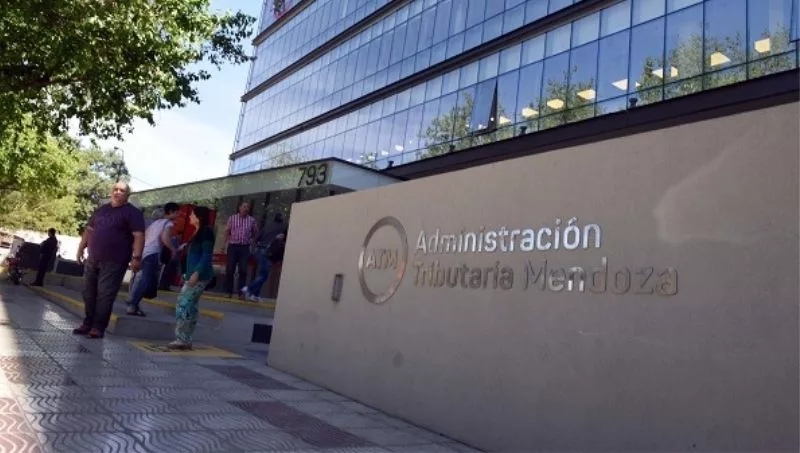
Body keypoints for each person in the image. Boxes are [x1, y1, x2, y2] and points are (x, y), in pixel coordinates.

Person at [74, 181, 145, 339]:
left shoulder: (132, 213)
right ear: (111, 192)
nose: (117, 192)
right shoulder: (101, 210)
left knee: (105, 294)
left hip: (115, 261)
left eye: (122, 190)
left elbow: (139, 235)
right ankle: (87, 323)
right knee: (88, 293)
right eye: (115, 189)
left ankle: (98, 327)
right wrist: (80, 248)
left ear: (127, 195)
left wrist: (137, 257)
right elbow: (89, 230)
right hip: (93, 258)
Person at [169, 206, 215, 350]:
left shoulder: (206, 232)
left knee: (183, 304)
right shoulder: (198, 232)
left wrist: (196, 273)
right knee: (190, 306)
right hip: (193, 275)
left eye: (193, 215)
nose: (190, 217)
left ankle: (182, 338)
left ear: (199, 217)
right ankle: (185, 338)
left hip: (199, 276)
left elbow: (206, 255)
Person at [125, 202, 179, 316]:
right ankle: (133, 305)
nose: (178, 215)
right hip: (152, 253)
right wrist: (173, 249)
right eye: (177, 212)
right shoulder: (168, 223)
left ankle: (132, 302)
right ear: (171, 212)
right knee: (144, 280)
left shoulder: (155, 223)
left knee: (139, 279)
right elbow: (165, 238)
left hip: (143, 251)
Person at [242, 212, 284, 302]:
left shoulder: (267, 226)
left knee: (263, 273)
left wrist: (253, 250)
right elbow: (279, 240)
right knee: (264, 275)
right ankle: (248, 289)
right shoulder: (281, 228)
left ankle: (255, 295)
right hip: (267, 252)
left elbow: (256, 238)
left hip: (259, 250)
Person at [222, 201, 258, 299]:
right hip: (233, 246)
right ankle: (228, 291)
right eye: (244, 207)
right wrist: (225, 244)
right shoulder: (232, 218)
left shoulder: (251, 220)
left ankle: (241, 293)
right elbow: (227, 231)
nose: (246, 209)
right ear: (240, 208)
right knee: (230, 269)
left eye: (247, 207)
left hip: (244, 247)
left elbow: (255, 231)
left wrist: (252, 241)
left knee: (243, 270)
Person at [263, 229, 287, 300]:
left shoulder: (279, 236)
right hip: (278, 258)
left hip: (275, 258)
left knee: (273, 278)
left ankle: (271, 296)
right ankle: (272, 296)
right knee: (275, 278)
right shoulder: (282, 235)